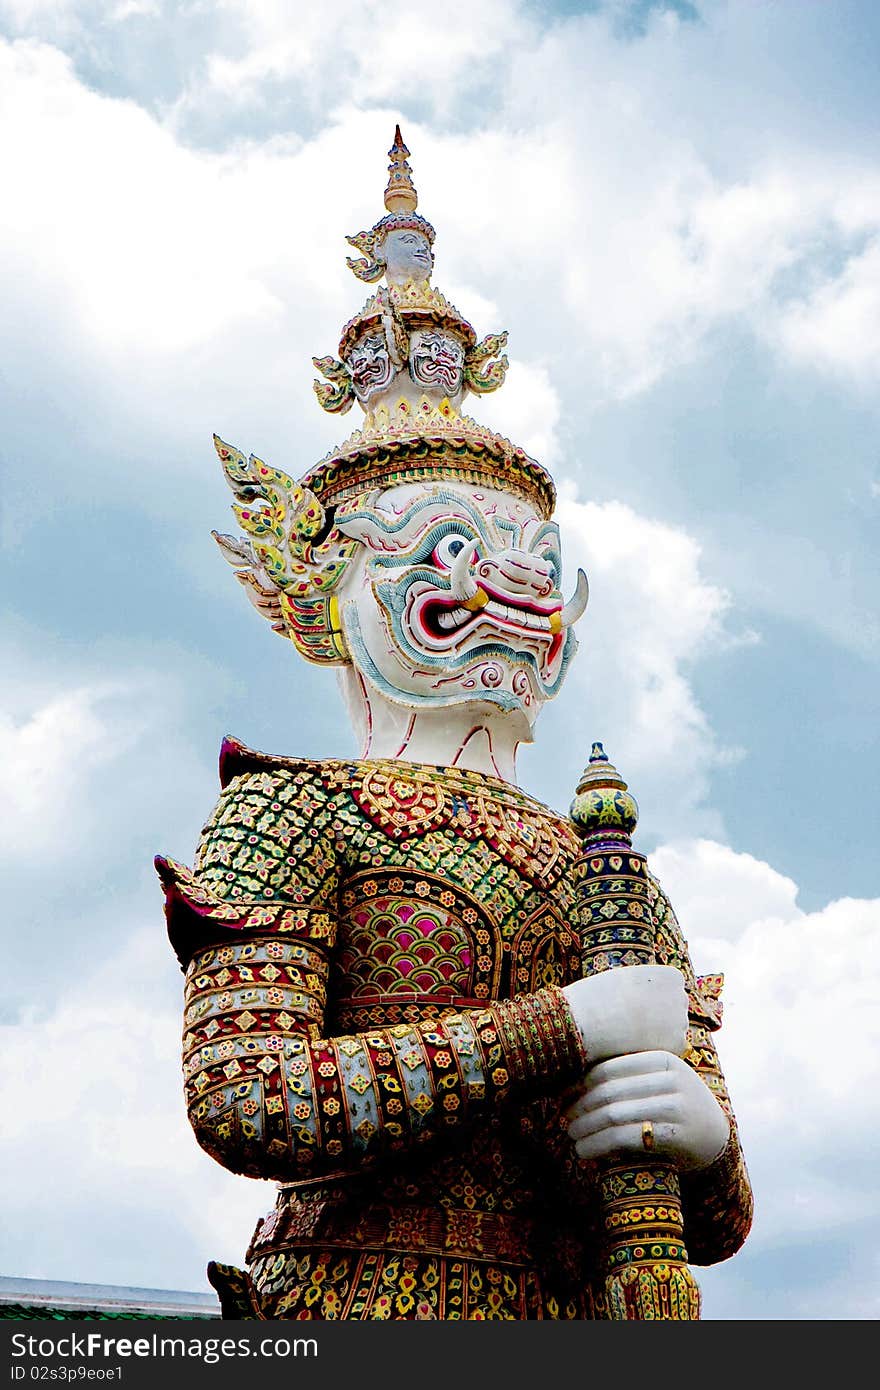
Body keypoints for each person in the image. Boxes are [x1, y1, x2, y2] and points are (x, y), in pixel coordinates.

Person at [157, 130, 752, 1320]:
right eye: (446, 550)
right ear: (317, 588)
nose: (509, 587)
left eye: (530, 559)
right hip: (350, 1297)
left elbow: (712, 1224)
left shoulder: (603, 865)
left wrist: (707, 1147)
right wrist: (564, 1025)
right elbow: (246, 1098)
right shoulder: (288, 808)